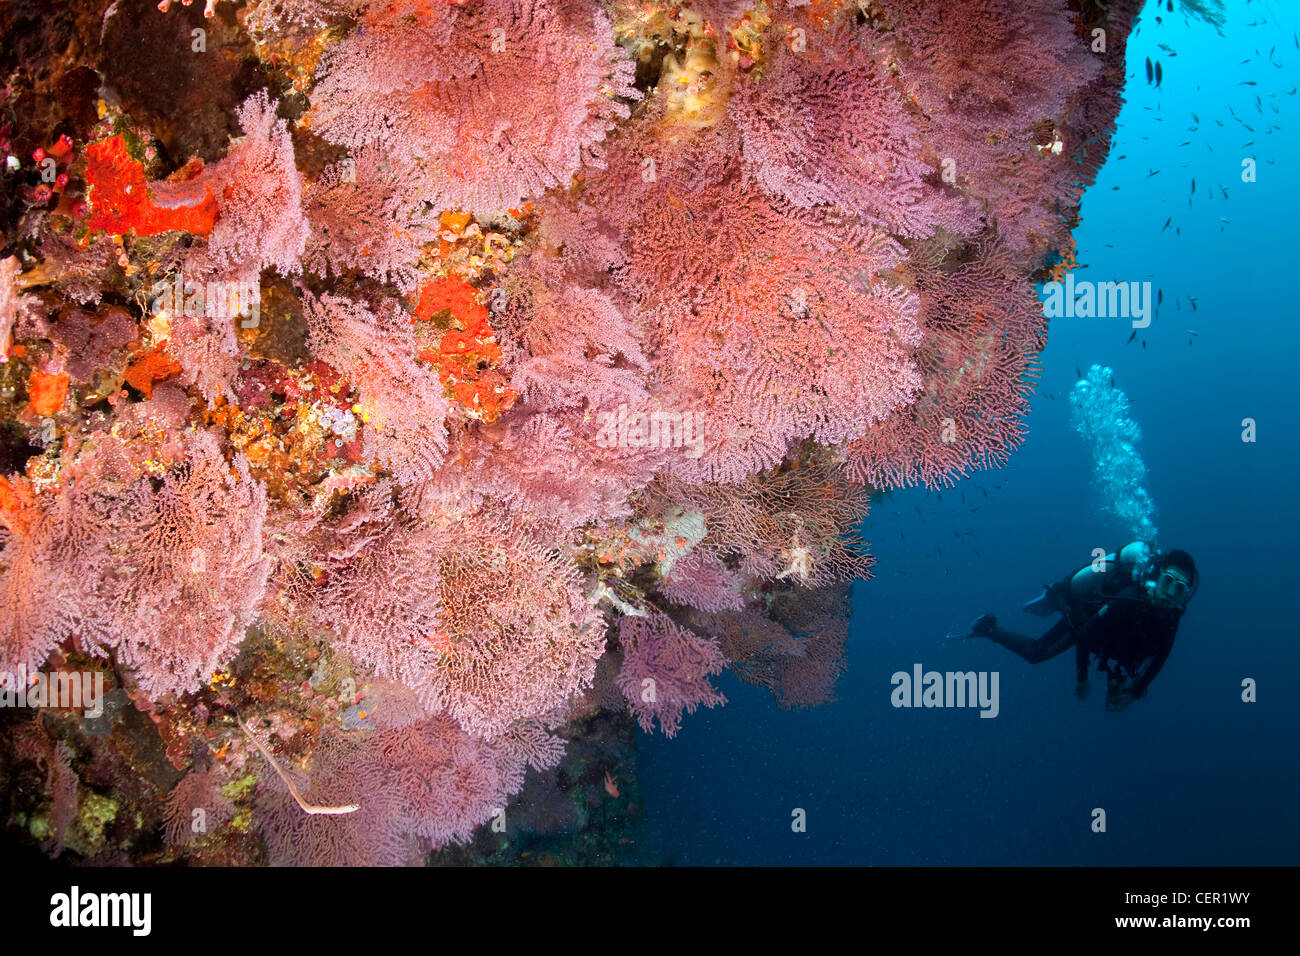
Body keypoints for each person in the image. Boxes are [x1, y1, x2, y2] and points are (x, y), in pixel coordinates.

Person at [961, 542, 1197, 711]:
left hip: (1116, 642)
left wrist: (1132, 694)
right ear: (1158, 577)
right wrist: (1082, 678)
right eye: (1167, 581)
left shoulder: (1171, 618)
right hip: (1087, 622)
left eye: (1179, 589)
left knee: (1130, 674)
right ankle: (987, 627)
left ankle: (1116, 682)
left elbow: (1159, 659)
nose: (1170, 593)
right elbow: (1084, 636)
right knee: (1037, 653)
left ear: (1186, 595)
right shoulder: (1128, 598)